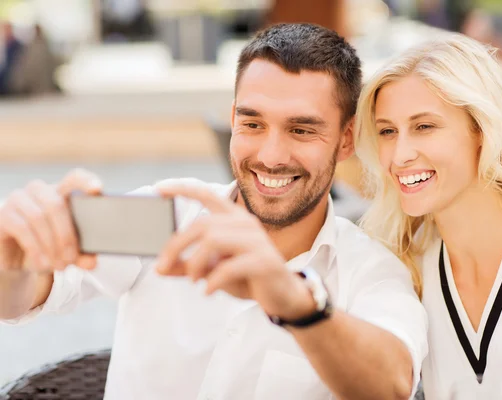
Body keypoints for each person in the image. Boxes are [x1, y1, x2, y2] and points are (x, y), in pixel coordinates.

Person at [0, 24, 428, 400]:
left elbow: (390, 385)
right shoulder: (167, 215)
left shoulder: (371, 270)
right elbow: (21, 295)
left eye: (301, 130)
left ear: (347, 139)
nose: (271, 155)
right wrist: (13, 257)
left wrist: (293, 300)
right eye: (252, 123)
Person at [354, 32, 502, 399]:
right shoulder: (406, 267)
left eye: (424, 126)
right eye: (387, 131)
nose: (400, 154)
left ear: (481, 129)